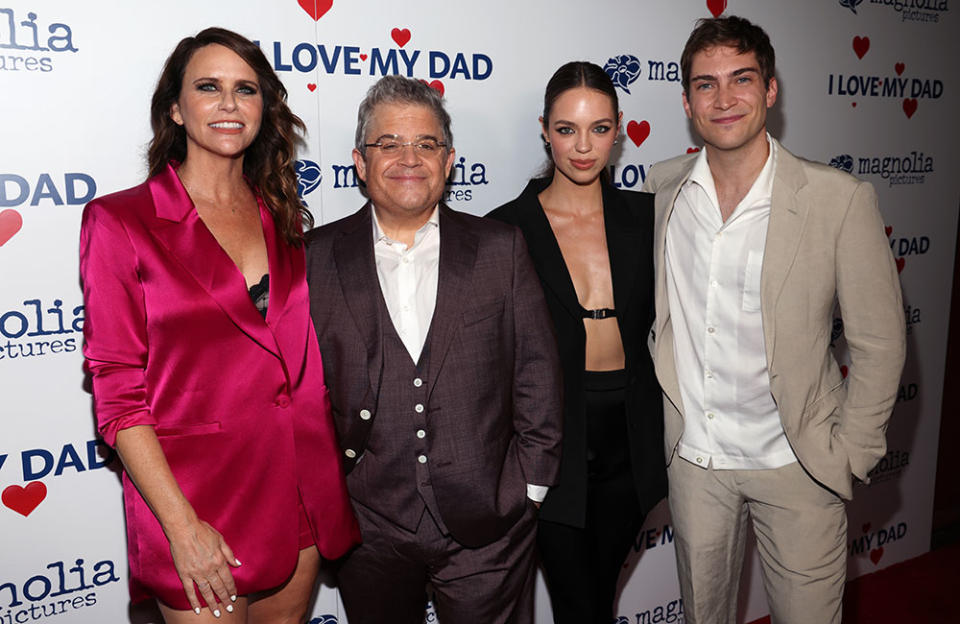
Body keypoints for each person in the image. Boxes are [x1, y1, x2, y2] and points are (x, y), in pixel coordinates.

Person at [79, 27, 360, 623]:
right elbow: (118, 393)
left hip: (298, 491)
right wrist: (181, 527)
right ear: (176, 109)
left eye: (246, 89)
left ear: (265, 108)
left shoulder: (281, 211)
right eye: (209, 87)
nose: (230, 104)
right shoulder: (120, 221)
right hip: (195, 503)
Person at [642, 16, 906, 624]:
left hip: (799, 464)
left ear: (770, 90)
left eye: (742, 79)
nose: (725, 98)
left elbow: (880, 339)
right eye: (706, 85)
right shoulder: (661, 192)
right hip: (695, 463)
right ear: (686, 102)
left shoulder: (836, 198)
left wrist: (853, 452)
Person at [305, 75, 563, 624]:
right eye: (389, 143)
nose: (409, 158)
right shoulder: (314, 258)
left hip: (490, 525)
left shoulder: (499, 248)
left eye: (427, 144)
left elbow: (538, 372)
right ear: (358, 160)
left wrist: (530, 488)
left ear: (449, 162)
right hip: (366, 528)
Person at [487, 61, 666, 623]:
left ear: (619, 128)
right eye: (566, 129)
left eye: (599, 128)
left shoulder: (650, 216)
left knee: (598, 594)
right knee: (576, 603)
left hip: (632, 438)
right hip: (550, 441)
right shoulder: (506, 229)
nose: (582, 147)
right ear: (545, 129)